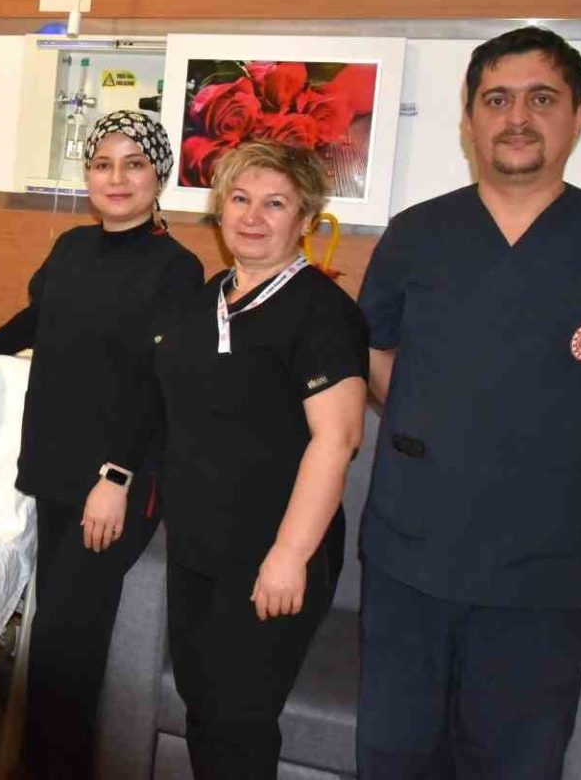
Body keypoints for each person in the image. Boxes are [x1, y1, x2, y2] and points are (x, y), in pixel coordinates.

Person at [355, 26, 581, 779]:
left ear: (578, 117)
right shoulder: (417, 234)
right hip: (410, 556)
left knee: (515, 764)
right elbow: (375, 351)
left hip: (541, 571)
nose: (517, 117)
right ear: (469, 120)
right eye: (497, 100)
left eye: (541, 99)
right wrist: (429, 429)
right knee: (394, 758)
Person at [0, 111, 203, 776]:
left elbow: (161, 384)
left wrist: (116, 476)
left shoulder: (176, 269)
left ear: (159, 176)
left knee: (70, 644)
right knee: (55, 640)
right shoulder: (71, 247)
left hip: (115, 480)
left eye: (134, 163)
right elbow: (41, 318)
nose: (116, 178)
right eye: (103, 164)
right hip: (57, 467)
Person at [153, 141, 367, 779]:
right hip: (198, 546)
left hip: (274, 549)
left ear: (304, 219)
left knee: (239, 716)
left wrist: (290, 554)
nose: (252, 216)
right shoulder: (204, 300)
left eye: (275, 204)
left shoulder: (322, 311)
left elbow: (338, 439)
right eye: (240, 199)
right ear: (220, 211)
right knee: (201, 703)